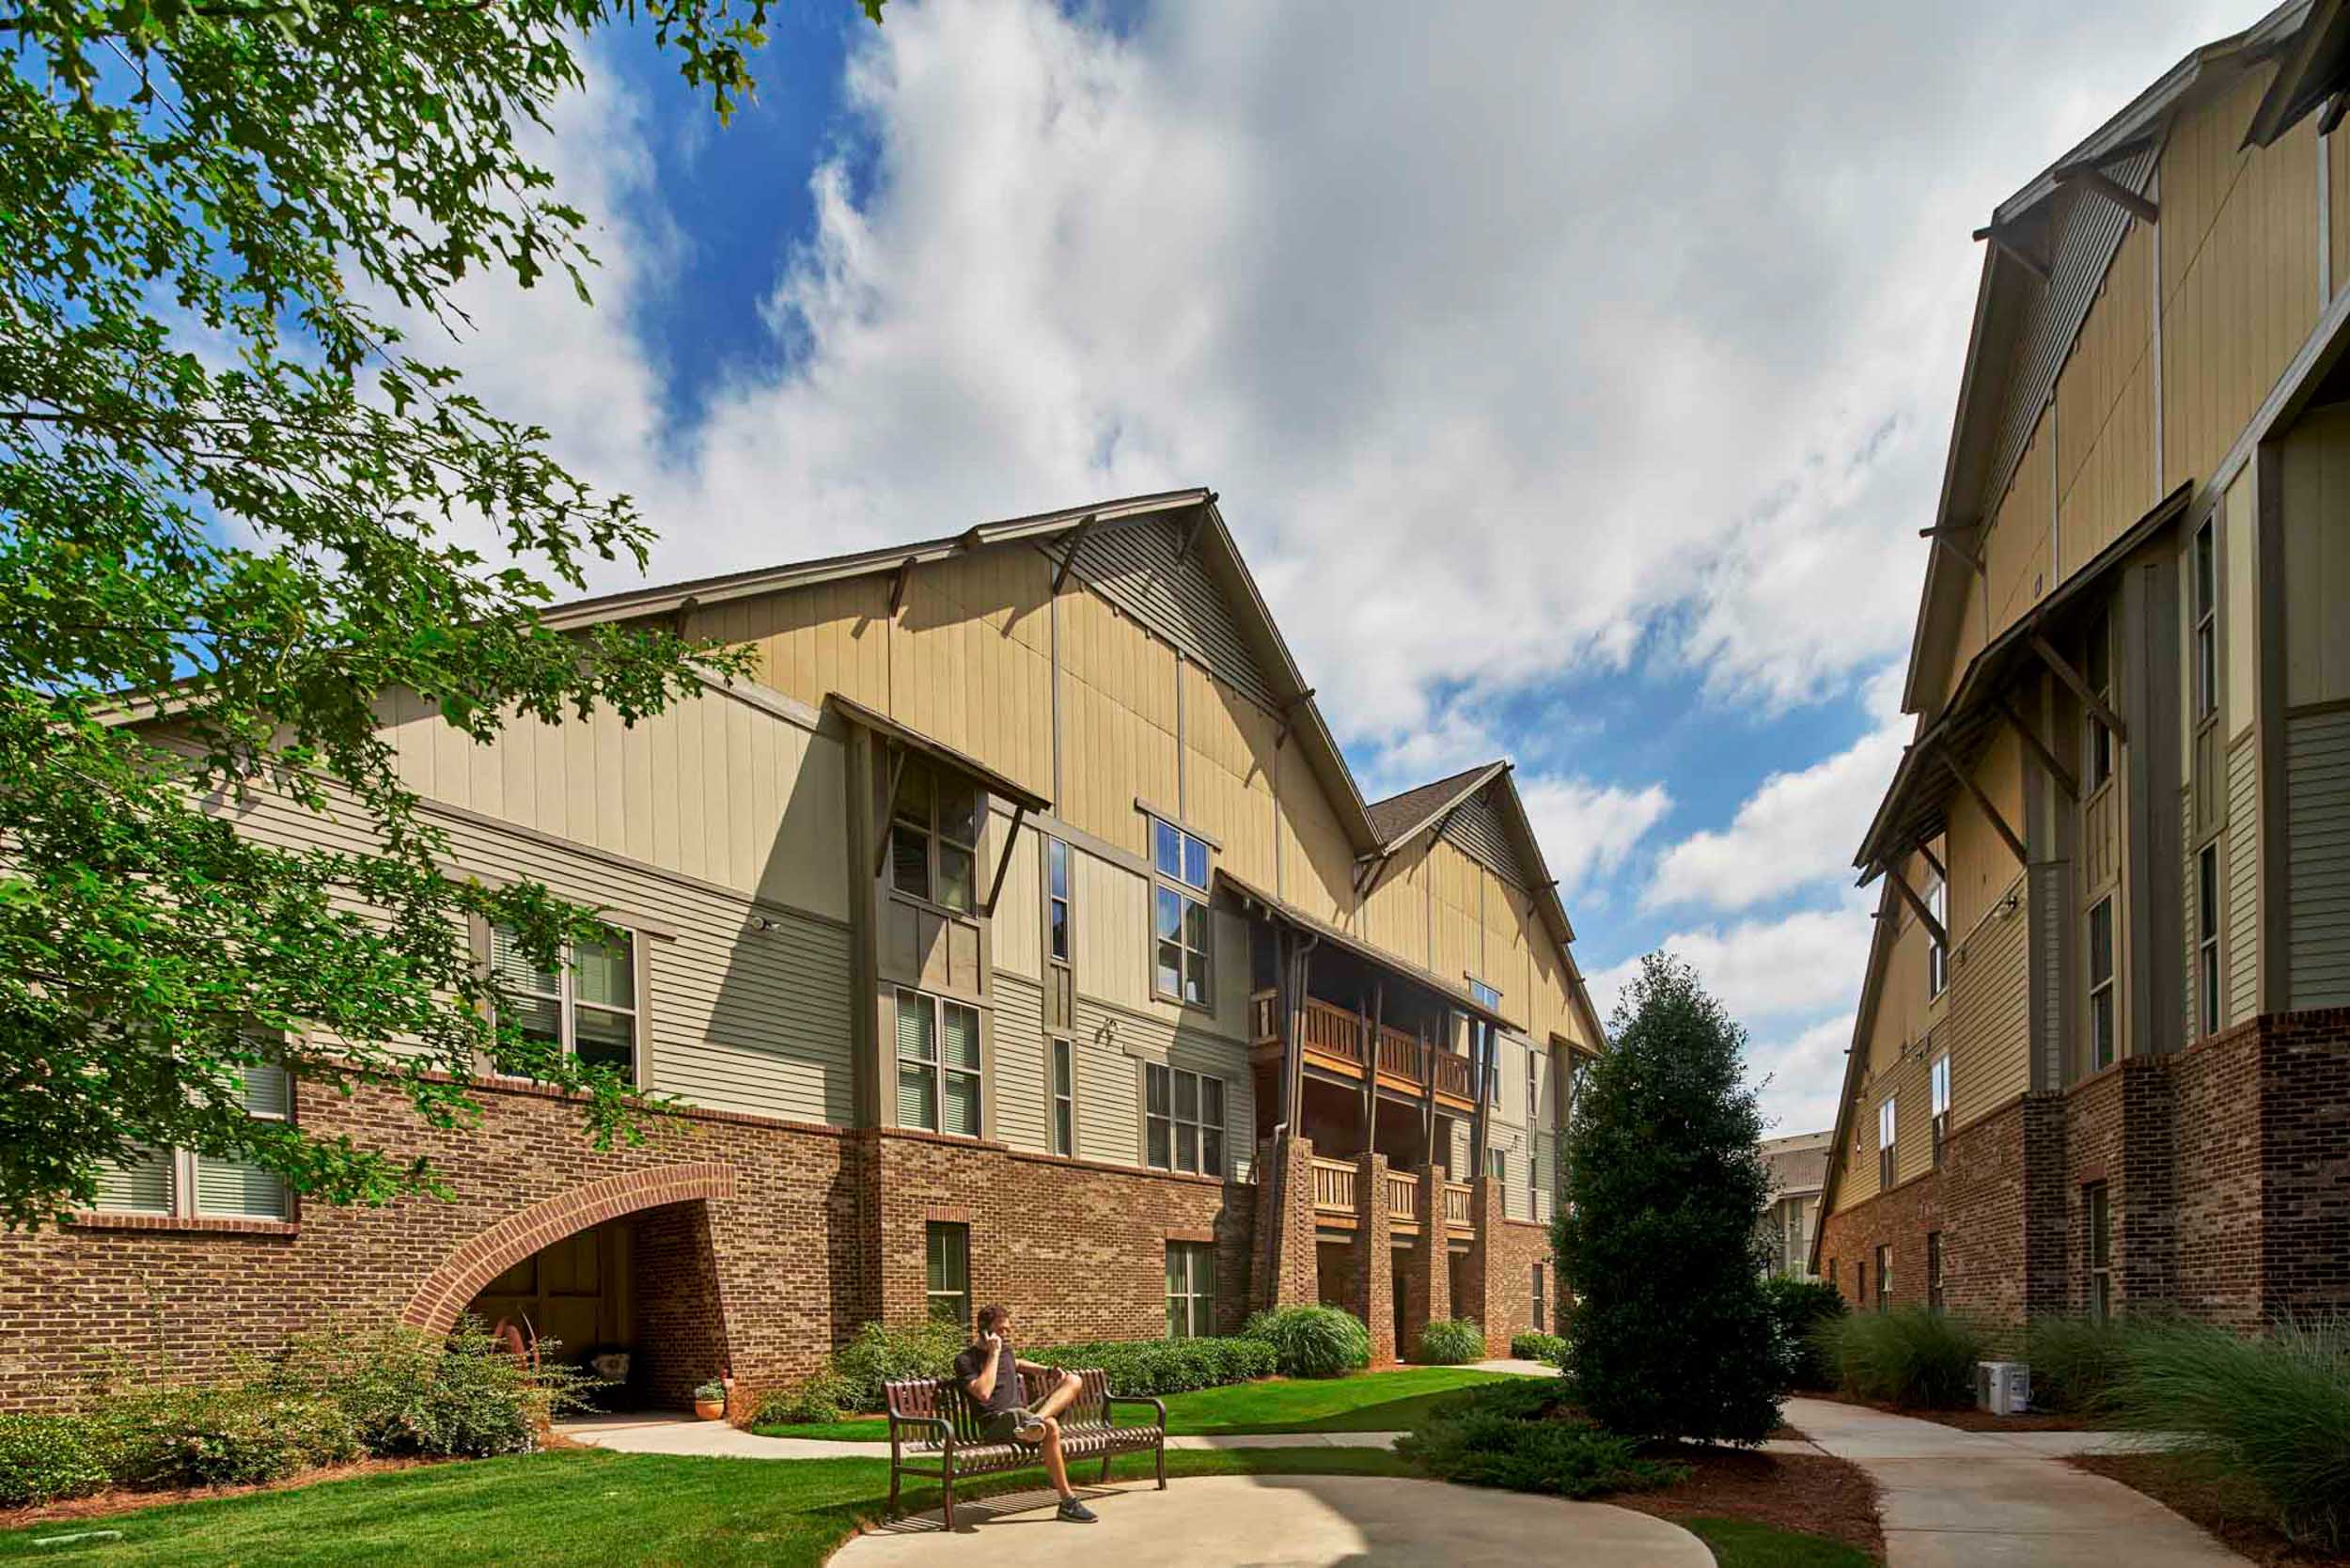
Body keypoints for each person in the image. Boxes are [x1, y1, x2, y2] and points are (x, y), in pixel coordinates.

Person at [951, 1304, 1097, 1523]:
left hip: (1023, 1418)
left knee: (1073, 1380)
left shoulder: (1007, 1352)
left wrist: (1046, 1371)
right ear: (984, 1330)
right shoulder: (965, 1360)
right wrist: (994, 1353)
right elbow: (983, 1392)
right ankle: (1068, 1503)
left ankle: (1036, 1422)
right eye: (1001, 1330)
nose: (1006, 1335)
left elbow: (1017, 1363)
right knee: (1051, 1426)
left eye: (1008, 1330)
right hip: (997, 1423)